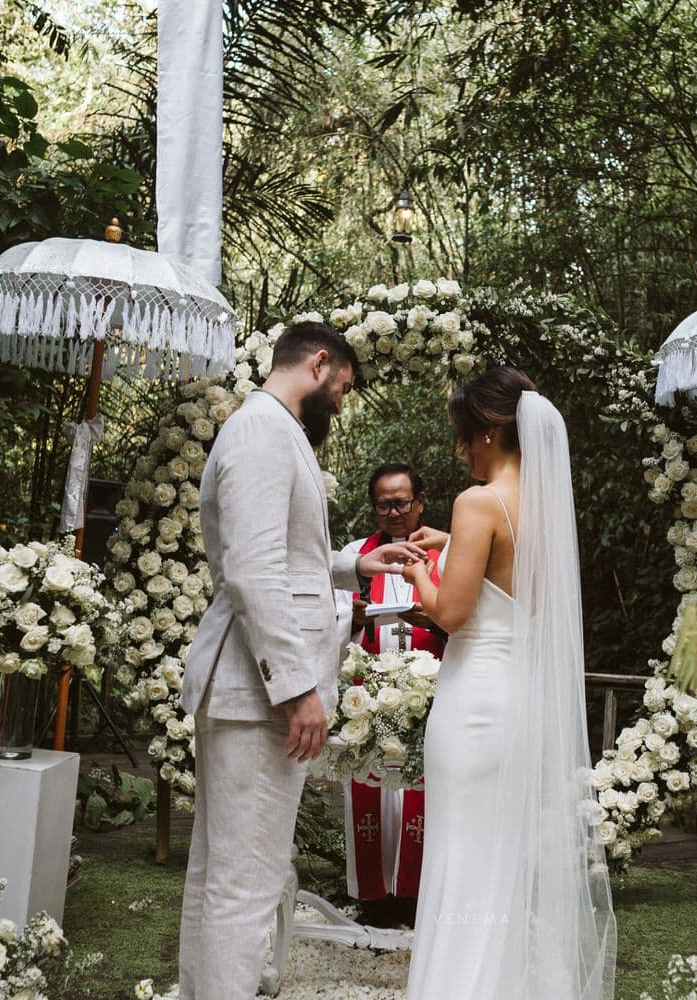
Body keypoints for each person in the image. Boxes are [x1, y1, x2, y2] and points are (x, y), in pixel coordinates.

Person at [176, 321, 422, 1000]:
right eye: (341, 388)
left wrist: (353, 564)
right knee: (245, 884)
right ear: (318, 363)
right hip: (257, 697)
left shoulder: (270, 429)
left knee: (221, 877)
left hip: (247, 692)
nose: (339, 404)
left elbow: (290, 560)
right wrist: (296, 690)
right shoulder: (261, 432)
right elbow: (254, 572)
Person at [400, 366, 616, 999]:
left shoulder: (477, 503)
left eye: (464, 436)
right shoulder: (544, 506)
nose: (460, 450)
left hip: (474, 706)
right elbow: (509, 579)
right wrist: (450, 543)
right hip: (519, 702)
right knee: (498, 864)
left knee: (461, 859)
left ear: (491, 434)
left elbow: (452, 612)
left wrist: (417, 575)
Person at [335, 463, 446, 922]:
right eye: (384, 504)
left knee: (422, 795)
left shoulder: (447, 552)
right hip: (370, 692)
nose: (394, 512)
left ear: (420, 501)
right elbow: (331, 616)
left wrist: (432, 619)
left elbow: (467, 617)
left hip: (431, 690)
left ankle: (419, 895)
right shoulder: (354, 556)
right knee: (370, 794)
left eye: (402, 502)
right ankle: (374, 895)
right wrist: (355, 618)